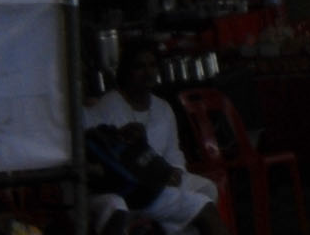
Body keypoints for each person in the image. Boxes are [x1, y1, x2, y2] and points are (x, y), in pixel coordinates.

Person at [84, 39, 229, 235]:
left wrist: (174, 170)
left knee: (206, 189)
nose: (148, 72)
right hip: (129, 185)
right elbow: (97, 151)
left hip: (159, 178)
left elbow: (173, 151)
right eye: (140, 67)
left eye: (152, 65)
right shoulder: (107, 106)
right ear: (127, 72)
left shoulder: (163, 107)